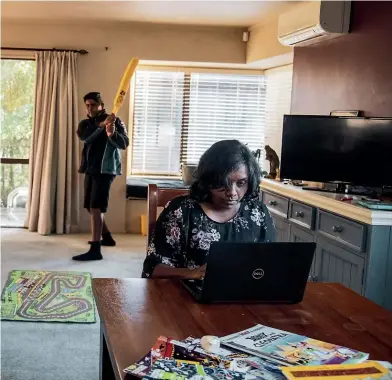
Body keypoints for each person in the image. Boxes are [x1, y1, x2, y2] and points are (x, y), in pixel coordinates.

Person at [142, 139, 275, 279]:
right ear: (208, 181)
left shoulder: (258, 213)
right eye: (223, 184)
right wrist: (192, 274)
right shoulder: (181, 211)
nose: (232, 192)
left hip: (245, 295)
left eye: (241, 183)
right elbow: (152, 269)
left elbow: (270, 264)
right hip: (187, 296)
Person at [73, 92, 129, 261]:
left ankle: (95, 249)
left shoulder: (115, 120)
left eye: (93, 105)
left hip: (106, 170)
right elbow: (86, 138)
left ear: (101, 105)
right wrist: (101, 127)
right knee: (90, 207)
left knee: (96, 207)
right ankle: (108, 238)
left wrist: (112, 133)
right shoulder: (85, 124)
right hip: (90, 168)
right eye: (87, 105)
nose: (89, 108)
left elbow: (124, 143)